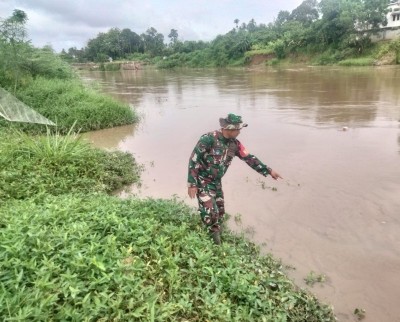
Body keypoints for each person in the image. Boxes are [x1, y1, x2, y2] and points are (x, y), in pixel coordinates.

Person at [187, 113, 282, 245]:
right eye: (238, 129)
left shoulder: (235, 145)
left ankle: (214, 234)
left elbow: (249, 158)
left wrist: (268, 170)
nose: (239, 132)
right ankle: (215, 247)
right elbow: (194, 160)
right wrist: (192, 184)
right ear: (229, 129)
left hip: (216, 182)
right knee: (210, 211)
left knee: (220, 212)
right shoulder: (208, 139)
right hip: (203, 180)